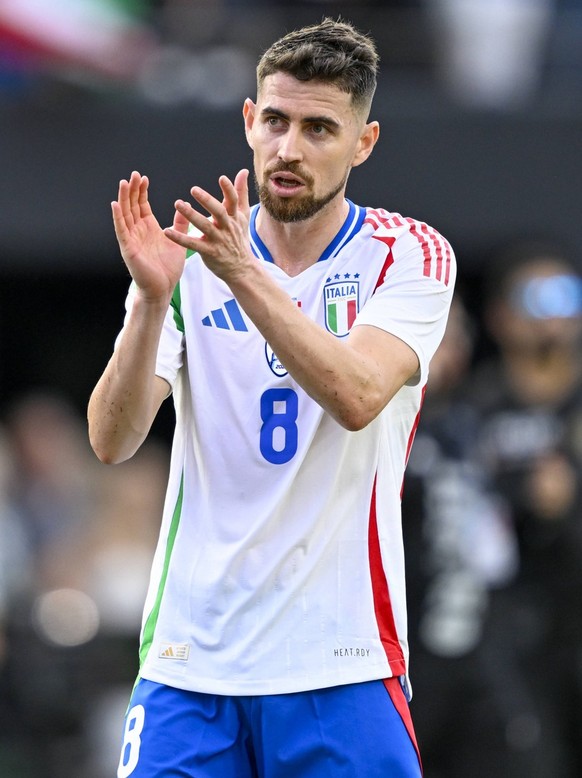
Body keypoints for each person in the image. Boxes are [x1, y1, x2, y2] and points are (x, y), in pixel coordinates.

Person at [88, 17, 456, 778]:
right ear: (250, 121)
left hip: (340, 659)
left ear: (365, 143)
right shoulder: (187, 265)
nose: (290, 149)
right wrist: (154, 301)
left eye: (321, 128)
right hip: (190, 664)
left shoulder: (409, 253)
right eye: (278, 122)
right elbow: (112, 441)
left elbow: (357, 395)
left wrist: (241, 273)